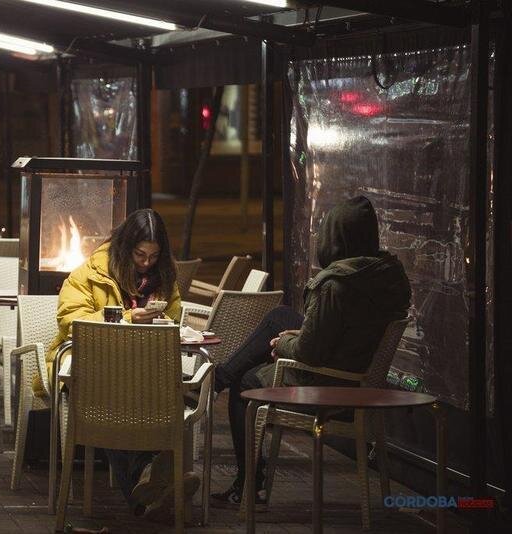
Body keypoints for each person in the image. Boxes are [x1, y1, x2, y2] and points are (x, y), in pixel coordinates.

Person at [211, 195, 411, 507]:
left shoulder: (336, 285)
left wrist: (284, 343)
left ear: (336, 238)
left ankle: (247, 483)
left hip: (327, 385)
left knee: (245, 383)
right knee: (281, 317)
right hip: (357, 374)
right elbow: (342, 330)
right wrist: (296, 332)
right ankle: (220, 379)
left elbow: (310, 352)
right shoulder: (385, 275)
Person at [34, 208, 195, 519]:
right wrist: (125, 317)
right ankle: (150, 476)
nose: (146, 263)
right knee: (111, 394)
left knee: (157, 394)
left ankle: (151, 486)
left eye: (153, 256)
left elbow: (173, 318)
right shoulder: (91, 272)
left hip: (144, 366)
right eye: (139, 255)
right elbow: (71, 321)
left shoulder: (164, 278)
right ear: (125, 248)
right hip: (89, 366)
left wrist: (160, 322)